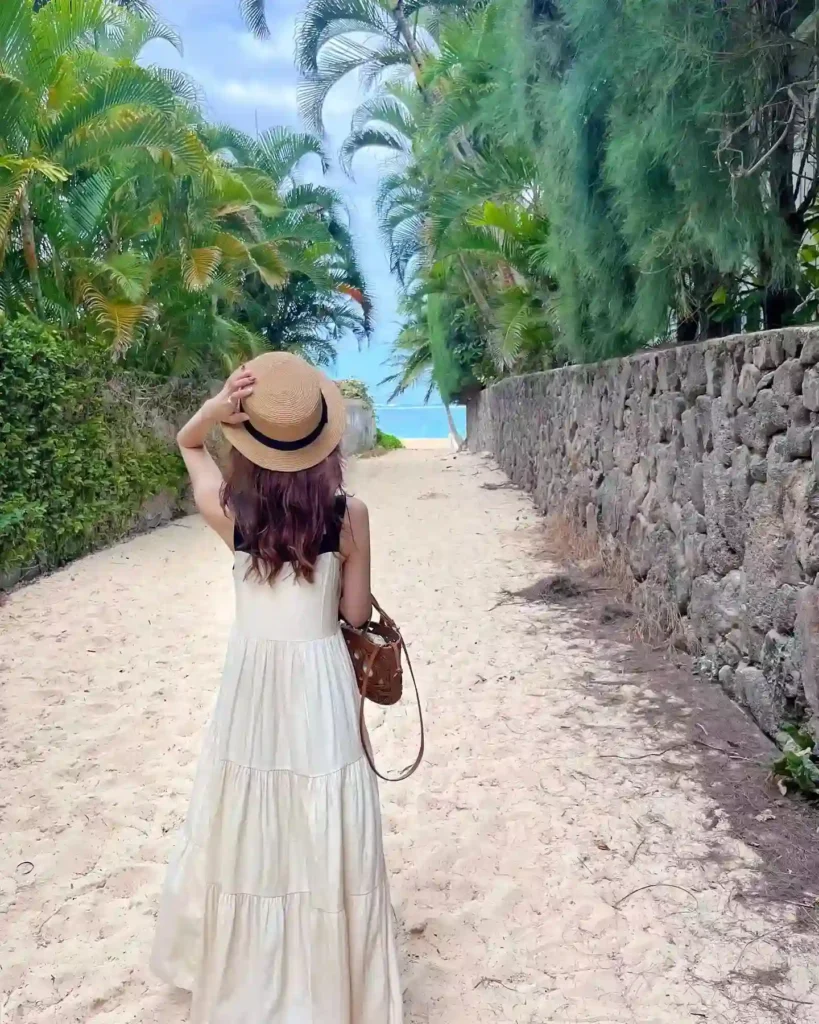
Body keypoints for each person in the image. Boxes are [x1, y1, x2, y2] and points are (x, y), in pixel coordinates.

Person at [151, 352, 403, 1023]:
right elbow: (355, 615)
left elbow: (188, 445)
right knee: (323, 809)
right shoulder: (350, 515)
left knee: (250, 813)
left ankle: (252, 971)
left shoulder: (232, 511)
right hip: (319, 678)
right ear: (324, 441)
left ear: (250, 440)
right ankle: (323, 974)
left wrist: (213, 411)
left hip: (252, 684)